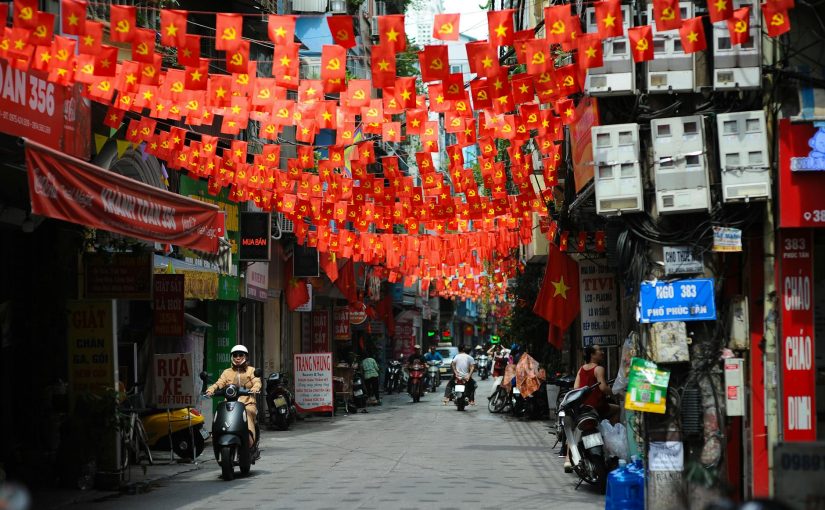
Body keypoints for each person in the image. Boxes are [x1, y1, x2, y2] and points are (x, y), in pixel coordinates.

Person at [565, 344, 619, 471]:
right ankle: (611, 437)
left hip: (583, 407)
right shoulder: (599, 368)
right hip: (598, 406)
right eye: (599, 350)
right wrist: (616, 392)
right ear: (592, 354)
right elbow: (603, 387)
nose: (602, 352)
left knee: (573, 430)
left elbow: (576, 388)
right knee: (617, 409)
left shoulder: (581, 369)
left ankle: (567, 459)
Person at [206, 345, 262, 451]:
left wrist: (255, 388)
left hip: (247, 404)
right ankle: (216, 436)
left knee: (248, 414)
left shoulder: (251, 370)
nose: (238, 357)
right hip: (230, 404)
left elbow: (257, 381)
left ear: (245, 356)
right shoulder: (227, 372)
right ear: (232, 357)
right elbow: (219, 383)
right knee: (219, 413)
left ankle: (250, 440)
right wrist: (211, 389)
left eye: (240, 355)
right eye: (235, 355)